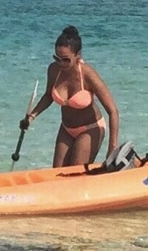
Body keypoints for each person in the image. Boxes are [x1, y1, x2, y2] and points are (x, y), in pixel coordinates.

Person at [20, 26, 119, 168]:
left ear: (78, 55)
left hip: (90, 129)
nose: (61, 63)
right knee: (56, 174)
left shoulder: (87, 74)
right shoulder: (54, 70)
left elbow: (113, 111)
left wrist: (112, 148)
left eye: (66, 60)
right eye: (57, 58)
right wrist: (31, 117)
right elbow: (48, 96)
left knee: (75, 173)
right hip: (66, 128)